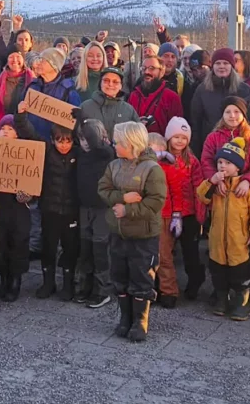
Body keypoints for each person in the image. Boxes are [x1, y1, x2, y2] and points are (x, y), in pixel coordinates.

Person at [98, 121, 166, 342]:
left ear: (131, 143)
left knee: (141, 277)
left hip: (143, 236)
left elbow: (155, 202)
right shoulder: (114, 165)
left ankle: (140, 321)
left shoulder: (152, 170)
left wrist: (128, 210)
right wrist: (121, 198)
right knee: (119, 275)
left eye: (118, 142)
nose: (115, 145)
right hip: (118, 232)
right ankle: (125, 318)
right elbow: (103, 189)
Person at [15, 106, 79, 301]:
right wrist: (21, 115)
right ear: (53, 140)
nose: (64, 145)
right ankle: (48, 282)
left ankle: (68, 284)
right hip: (49, 209)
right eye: (60, 141)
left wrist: (81, 119)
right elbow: (29, 132)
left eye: (67, 141)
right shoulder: (46, 151)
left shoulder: (79, 154)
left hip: (71, 211)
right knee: (48, 246)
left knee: (70, 247)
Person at [197, 138, 250, 321]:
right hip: (218, 242)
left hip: (238, 243)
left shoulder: (248, 189)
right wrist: (211, 181)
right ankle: (221, 299)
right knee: (219, 273)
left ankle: (242, 302)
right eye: (220, 162)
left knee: (240, 275)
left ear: (238, 167)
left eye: (227, 163)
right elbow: (201, 196)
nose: (222, 166)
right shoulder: (216, 186)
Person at [0, 115, 32, 302]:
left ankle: (15, 281)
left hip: (18, 208)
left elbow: (34, 179)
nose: (5, 132)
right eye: (2, 128)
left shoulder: (27, 153)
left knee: (17, 243)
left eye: (10, 129)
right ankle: (3, 278)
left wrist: (29, 195)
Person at [73, 119, 116, 308]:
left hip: (101, 209)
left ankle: (103, 289)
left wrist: (84, 120)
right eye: (81, 139)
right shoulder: (81, 154)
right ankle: (85, 285)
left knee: (100, 249)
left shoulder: (105, 153)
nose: (85, 143)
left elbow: (98, 145)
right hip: (85, 208)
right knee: (85, 248)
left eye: (87, 139)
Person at [164, 118, 205, 300]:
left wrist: (200, 212)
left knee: (190, 251)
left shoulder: (192, 161)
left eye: (183, 137)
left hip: (189, 213)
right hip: (167, 212)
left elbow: (198, 186)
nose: (179, 141)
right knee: (166, 249)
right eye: (176, 137)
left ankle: (195, 278)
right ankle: (167, 284)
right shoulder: (163, 158)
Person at [189, 49, 250, 156]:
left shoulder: (243, 89)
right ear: (212, 66)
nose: (221, 66)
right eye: (218, 63)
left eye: (225, 63)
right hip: (210, 149)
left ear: (232, 66)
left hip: (239, 149)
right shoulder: (203, 90)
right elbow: (195, 122)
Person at [147, 132, 186, 308]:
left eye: (158, 151)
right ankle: (149, 289)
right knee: (147, 256)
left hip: (164, 217)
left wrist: (177, 215)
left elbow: (177, 192)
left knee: (164, 256)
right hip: (147, 216)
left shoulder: (168, 169)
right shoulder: (142, 168)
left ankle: (169, 291)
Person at [24, 48, 82, 139]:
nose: (38, 63)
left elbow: (74, 122)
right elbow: (20, 115)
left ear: (54, 65)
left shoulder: (68, 90)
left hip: (55, 145)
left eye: (43, 60)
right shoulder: (32, 86)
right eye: (39, 59)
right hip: (32, 143)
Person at [127, 57, 181, 137]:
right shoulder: (133, 95)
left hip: (161, 146)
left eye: (152, 68)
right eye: (144, 68)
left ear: (162, 72)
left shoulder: (171, 97)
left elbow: (176, 130)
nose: (146, 72)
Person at [0, 51, 34, 115]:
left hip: (25, 122)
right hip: (4, 121)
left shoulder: (32, 79)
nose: (14, 60)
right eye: (11, 57)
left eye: (18, 57)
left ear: (23, 59)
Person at [181, 49, 210, 117]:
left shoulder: (219, 85)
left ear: (209, 66)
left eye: (201, 68)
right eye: (194, 69)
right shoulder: (191, 89)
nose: (198, 72)